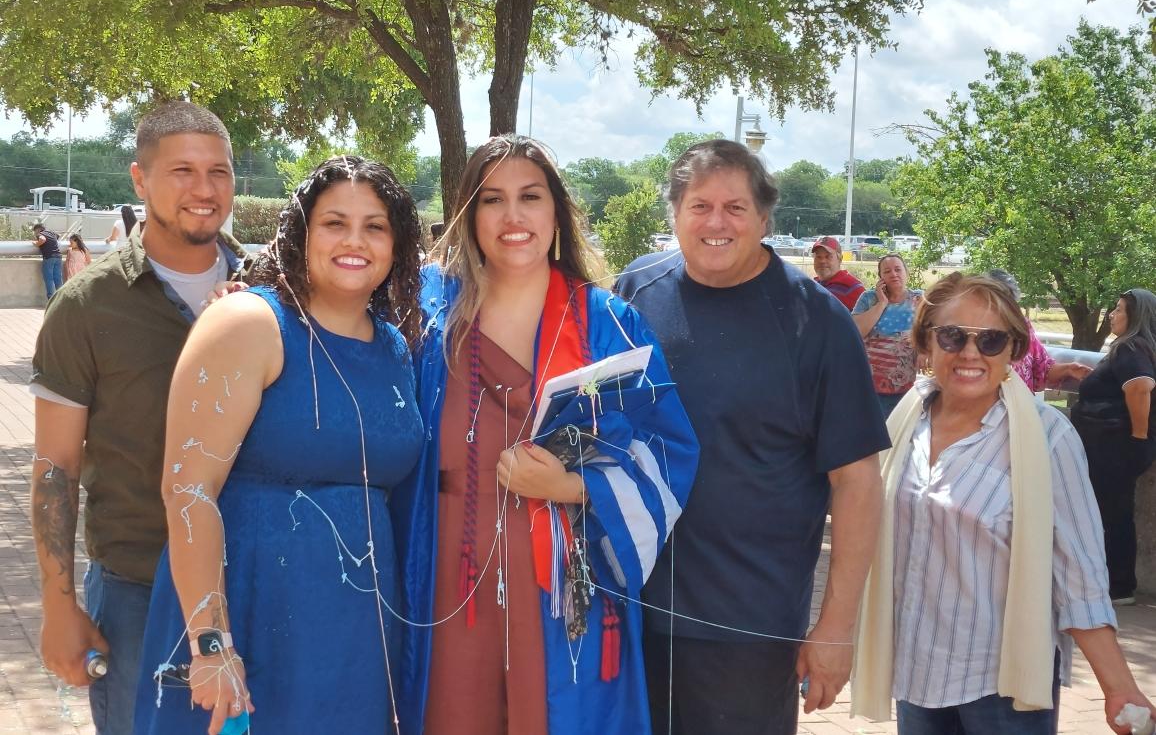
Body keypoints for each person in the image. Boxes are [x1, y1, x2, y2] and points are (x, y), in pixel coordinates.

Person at [395, 134, 700, 735]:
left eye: (530, 197)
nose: (513, 217)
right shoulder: (423, 315)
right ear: (468, 214)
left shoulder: (608, 322)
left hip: (564, 583)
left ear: (556, 211)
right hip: (449, 570)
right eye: (492, 200)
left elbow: (667, 449)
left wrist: (577, 487)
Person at [133, 156, 424, 734]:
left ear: (398, 244)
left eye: (375, 226)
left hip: (355, 644)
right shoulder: (249, 322)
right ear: (302, 232)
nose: (355, 241)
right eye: (335, 222)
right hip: (243, 618)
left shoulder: (396, 347)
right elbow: (188, 490)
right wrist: (211, 643)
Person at [616, 140, 887, 735]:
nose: (717, 223)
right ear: (675, 213)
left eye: (735, 208)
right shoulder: (636, 291)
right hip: (629, 609)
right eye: (700, 206)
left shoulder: (816, 321)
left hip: (747, 626)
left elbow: (858, 481)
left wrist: (836, 626)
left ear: (764, 219)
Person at [29, 102, 250, 734]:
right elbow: (55, 468)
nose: (204, 190)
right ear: (138, 179)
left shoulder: (269, 292)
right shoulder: (86, 306)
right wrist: (59, 605)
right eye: (182, 170)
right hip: (138, 589)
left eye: (220, 172)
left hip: (256, 580)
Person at [852, 272, 1154, 734]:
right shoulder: (907, 418)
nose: (970, 353)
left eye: (991, 340)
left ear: (1014, 349)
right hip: (914, 672)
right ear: (926, 342)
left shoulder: (1047, 439)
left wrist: (1118, 686)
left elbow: (1080, 577)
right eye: (952, 336)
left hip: (1002, 686)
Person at [1071, 288, 1156, 606]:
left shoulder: (1131, 348)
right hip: (1113, 446)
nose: (1111, 315)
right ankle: (1116, 584)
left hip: (1116, 447)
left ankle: (1119, 586)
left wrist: (1137, 438)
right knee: (1113, 512)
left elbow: (1140, 388)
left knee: (1112, 514)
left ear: (1134, 317)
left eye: (1118, 310)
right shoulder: (1136, 347)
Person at [986, 268, 1092, 392]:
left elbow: (1042, 369)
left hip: (1022, 405)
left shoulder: (1022, 327)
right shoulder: (974, 333)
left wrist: (1069, 369)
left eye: (1008, 299)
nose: (1001, 306)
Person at [852, 253, 924, 416]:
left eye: (898, 269)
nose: (893, 274)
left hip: (907, 388)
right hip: (869, 387)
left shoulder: (920, 299)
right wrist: (882, 303)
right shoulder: (869, 298)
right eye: (887, 271)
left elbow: (934, 330)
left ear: (907, 273)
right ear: (880, 278)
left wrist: (924, 349)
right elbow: (856, 332)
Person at [812, 235, 865, 310]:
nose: (822, 261)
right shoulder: (812, 285)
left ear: (840, 259)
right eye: (818, 257)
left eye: (828, 256)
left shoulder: (853, 288)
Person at [31, 222, 64, 299]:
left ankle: (51, 299)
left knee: (49, 279)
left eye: (35, 231)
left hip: (49, 257)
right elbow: (59, 236)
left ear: (38, 230)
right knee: (58, 278)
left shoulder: (41, 234)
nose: (35, 234)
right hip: (58, 256)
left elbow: (43, 239)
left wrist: (36, 244)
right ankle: (61, 298)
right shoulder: (51, 233)